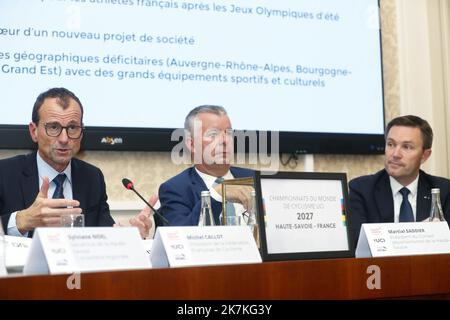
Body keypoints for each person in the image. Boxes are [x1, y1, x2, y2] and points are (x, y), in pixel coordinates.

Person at [0, 87, 154, 238]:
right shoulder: (5, 173)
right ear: (34, 131)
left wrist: (129, 236)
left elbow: (104, 232)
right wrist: (22, 220)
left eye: (72, 127)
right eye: (53, 127)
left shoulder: (92, 177)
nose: (64, 139)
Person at [348, 115, 450, 249]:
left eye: (407, 147)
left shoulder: (444, 191)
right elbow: (358, 245)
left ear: (425, 155)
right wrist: (422, 234)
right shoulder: (362, 190)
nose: (395, 154)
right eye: (391, 144)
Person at [158, 105, 254, 226]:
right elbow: (181, 236)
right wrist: (216, 195)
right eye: (213, 134)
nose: (225, 140)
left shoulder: (255, 179)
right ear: (192, 144)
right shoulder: (176, 189)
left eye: (229, 133)